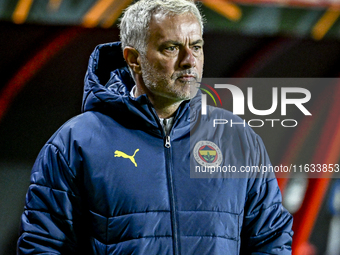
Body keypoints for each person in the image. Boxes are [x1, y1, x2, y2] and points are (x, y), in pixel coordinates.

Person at [17, 0, 293, 254]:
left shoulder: (237, 138)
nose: (189, 61)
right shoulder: (75, 143)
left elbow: (272, 240)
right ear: (134, 59)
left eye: (196, 46)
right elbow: (43, 246)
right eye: (171, 48)